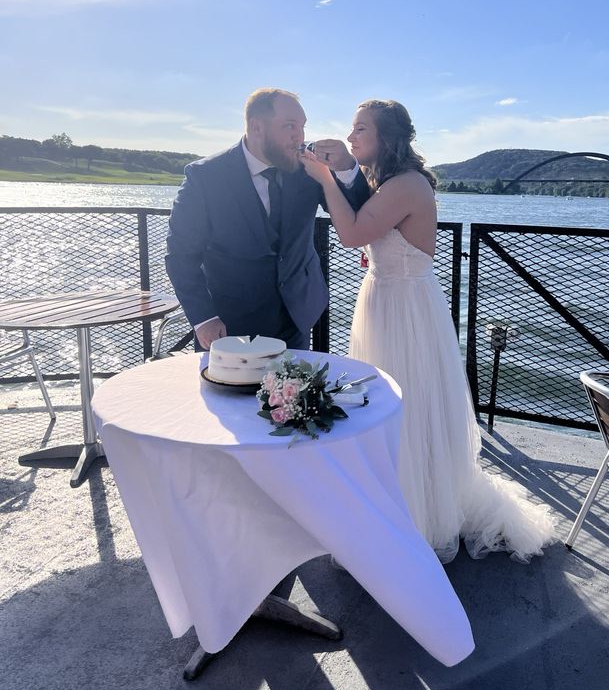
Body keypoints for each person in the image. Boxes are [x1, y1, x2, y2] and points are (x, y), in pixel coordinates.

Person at [301, 99, 557, 563]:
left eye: (361, 129)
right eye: (352, 129)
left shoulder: (406, 184)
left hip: (405, 309)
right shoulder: (387, 181)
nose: (352, 136)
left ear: (386, 138)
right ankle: (392, 495)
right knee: (384, 404)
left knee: (409, 404)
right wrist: (342, 172)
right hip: (384, 298)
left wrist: (324, 179)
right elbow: (371, 223)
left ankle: (416, 513)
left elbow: (352, 234)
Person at [165, 88, 370, 350]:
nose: (300, 137)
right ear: (256, 127)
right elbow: (181, 254)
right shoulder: (205, 177)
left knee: (297, 379)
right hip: (229, 325)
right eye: (290, 126)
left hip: (296, 316)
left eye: (302, 126)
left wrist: (346, 168)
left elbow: (357, 212)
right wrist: (204, 318)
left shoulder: (308, 167)